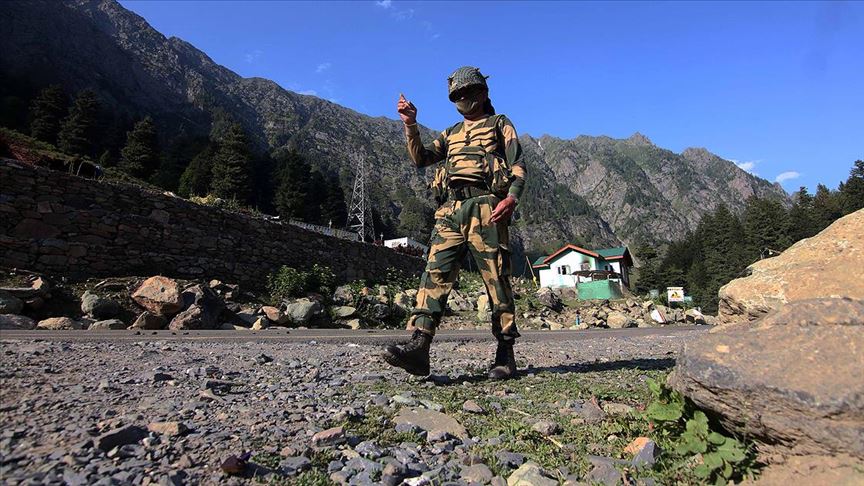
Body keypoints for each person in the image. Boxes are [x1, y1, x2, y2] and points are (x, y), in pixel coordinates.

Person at [382, 66, 527, 379]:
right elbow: (421, 158)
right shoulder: (450, 133)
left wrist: (511, 198)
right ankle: (419, 347)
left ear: (482, 93)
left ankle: (505, 354)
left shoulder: (500, 124)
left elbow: (518, 166)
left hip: (487, 207)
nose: (463, 99)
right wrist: (410, 125)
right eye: (457, 95)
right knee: (435, 273)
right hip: (450, 210)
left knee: (496, 279)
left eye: (468, 92)